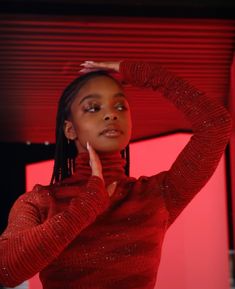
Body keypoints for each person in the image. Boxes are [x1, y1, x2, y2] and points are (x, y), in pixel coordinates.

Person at [0, 60, 232, 289]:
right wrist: (84, 208)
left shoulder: (156, 195)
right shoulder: (41, 200)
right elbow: (6, 270)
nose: (111, 114)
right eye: (93, 108)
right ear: (70, 129)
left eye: (120, 106)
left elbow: (216, 125)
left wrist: (141, 72)